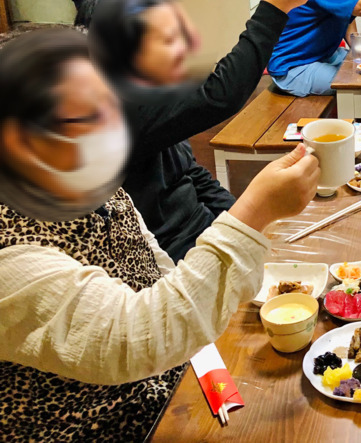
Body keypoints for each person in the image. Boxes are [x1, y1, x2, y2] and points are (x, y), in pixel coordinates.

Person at [0, 28, 320, 442]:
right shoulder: (11, 250)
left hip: (172, 388)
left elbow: (158, 273)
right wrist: (253, 212)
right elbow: (134, 339)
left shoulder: (90, 184)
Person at [80, 0, 311, 261]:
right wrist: (274, 8)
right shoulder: (111, 114)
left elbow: (192, 175)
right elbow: (219, 95)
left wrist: (244, 225)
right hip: (172, 267)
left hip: (209, 238)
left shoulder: (153, 92)